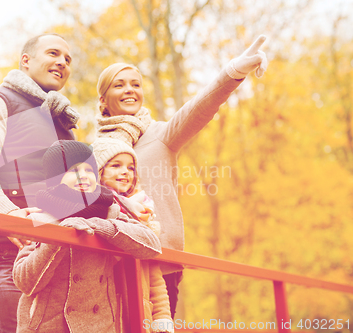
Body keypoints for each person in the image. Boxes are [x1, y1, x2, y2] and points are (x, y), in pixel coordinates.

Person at [94, 35, 269, 317]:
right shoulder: (94, 150)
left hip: (160, 261)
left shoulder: (161, 135)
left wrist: (233, 71)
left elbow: (200, 107)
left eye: (135, 84)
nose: (129, 90)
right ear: (103, 99)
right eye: (119, 84)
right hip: (108, 262)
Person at [0, 33, 78, 332]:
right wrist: (9, 214)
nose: (62, 62)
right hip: (13, 252)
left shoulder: (63, 123)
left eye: (67, 59)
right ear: (26, 61)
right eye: (53, 53)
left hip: (64, 255)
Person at [12, 140, 162, 332]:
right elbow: (25, 281)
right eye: (73, 170)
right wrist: (61, 236)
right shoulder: (40, 217)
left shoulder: (110, 212)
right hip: (48, 326)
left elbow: (151, 244)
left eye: (89, 170)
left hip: (101, 325)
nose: (83, 176)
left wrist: (100, 226)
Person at [92, 137, 175, 333]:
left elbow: (154, 275)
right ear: (98, 171)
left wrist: (162, 316)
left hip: (138, 313)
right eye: (116, 165)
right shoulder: (91, 210)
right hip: (102, 311)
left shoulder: (143, 216)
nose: (125, 172)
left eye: (130, 167)